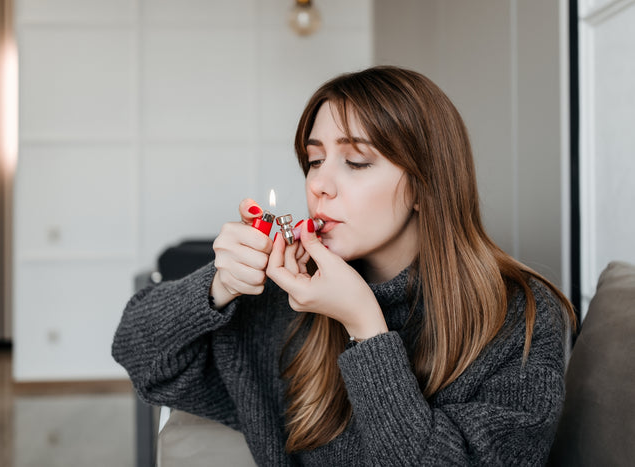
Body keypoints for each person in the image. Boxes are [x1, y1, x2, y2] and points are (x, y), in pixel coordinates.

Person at [112, 66, 575, 465]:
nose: (320, 185)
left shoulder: (520, 315)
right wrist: (218, 287)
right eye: (314, 160)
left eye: (355, 161)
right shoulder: (288, 299)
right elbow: (139, 354)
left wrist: (366, 329)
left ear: (424, 185)